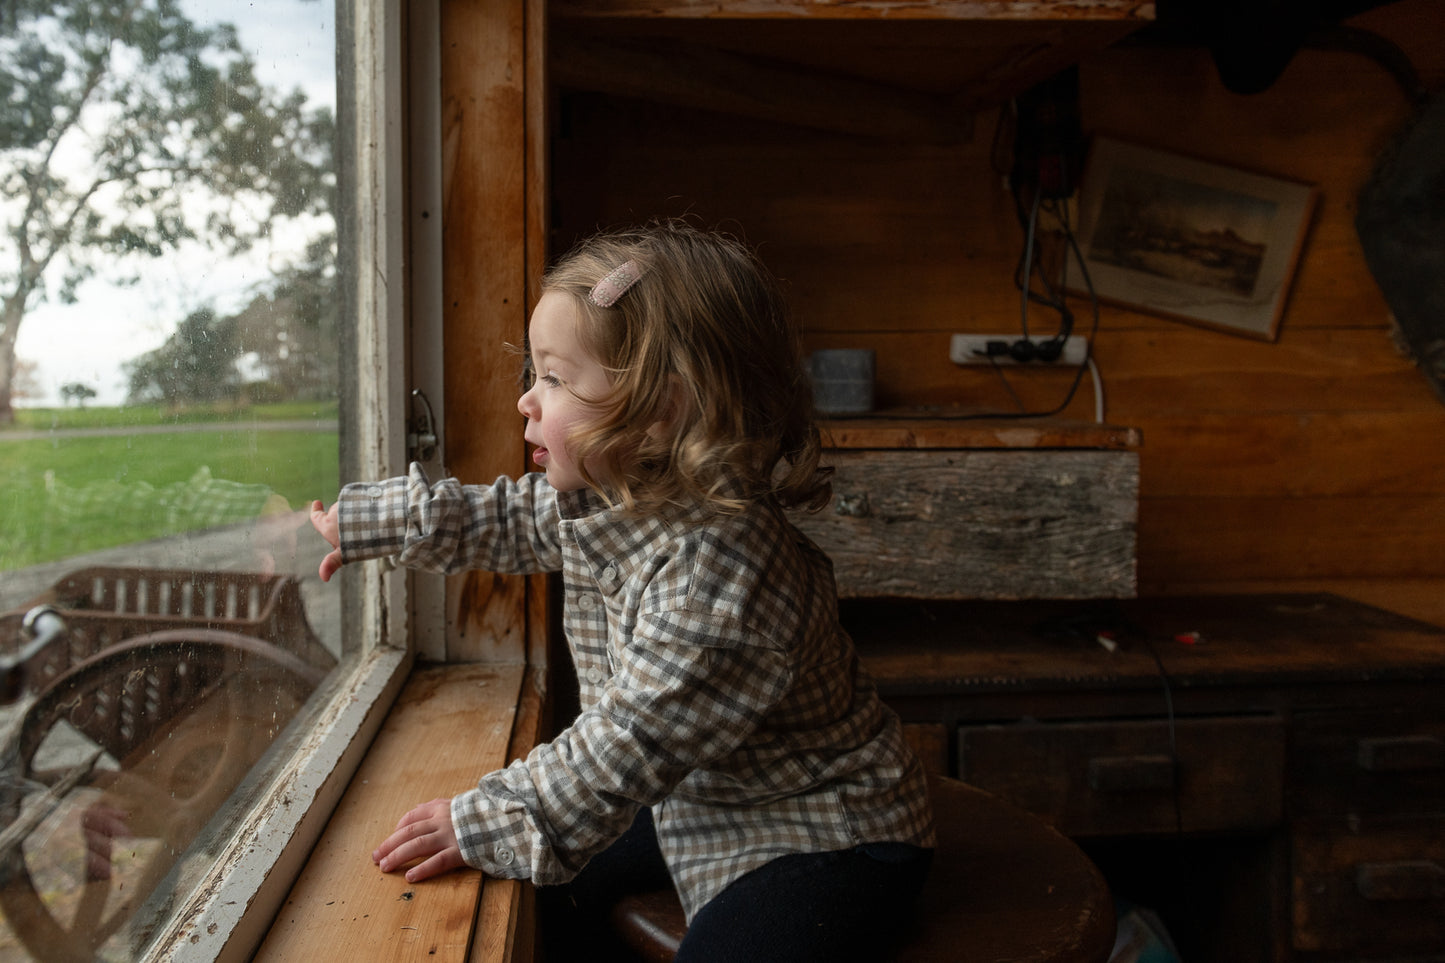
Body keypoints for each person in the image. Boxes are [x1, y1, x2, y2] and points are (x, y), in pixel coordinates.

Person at [310, 221, 935, 962]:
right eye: (532, 373)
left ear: (662, 410)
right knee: (556, 885)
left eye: (556, 379)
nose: (525, 403)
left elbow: (620, 750)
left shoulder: (722, 580)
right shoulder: (625, 494)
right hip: (702, 789)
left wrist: (480, 819)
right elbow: (511, 517)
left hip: (820, 832)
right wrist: (377, 520)